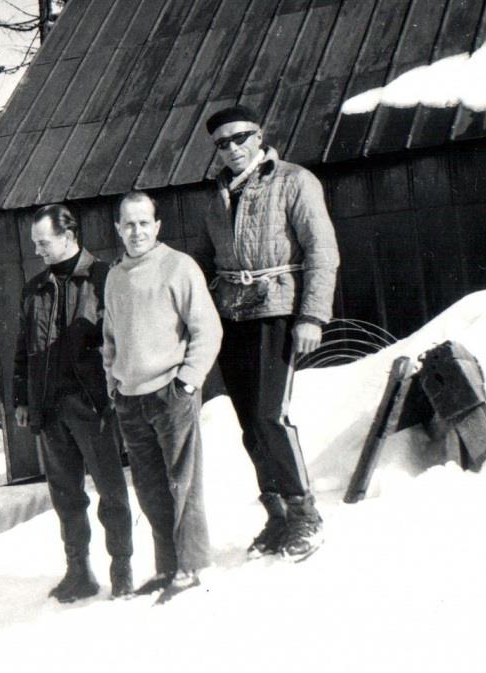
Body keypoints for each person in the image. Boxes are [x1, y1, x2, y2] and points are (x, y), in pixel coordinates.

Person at [200, 105, 340, 562]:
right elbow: (207, 261)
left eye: (240, 137)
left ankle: (305, 515)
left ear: (259, 136)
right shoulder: (217, 196)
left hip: (277, 310)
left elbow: (322, 251)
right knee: (249, 424)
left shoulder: (294, 181)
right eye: (223, 143)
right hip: (232, 317)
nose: (233, 148)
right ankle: (277, 515)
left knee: (269, 416)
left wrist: (311, 316)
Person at [102, 191, 222, 597]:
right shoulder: (115, 277)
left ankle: (191, 566)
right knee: (150, 489)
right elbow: (110, 339)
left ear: (157, 226)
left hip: (171, 394)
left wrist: (187, 381)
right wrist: (114, 385)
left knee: (183, 484)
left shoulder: (178, 266)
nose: (136, 231)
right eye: (128, 224)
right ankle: (167, 566)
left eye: (143, 223)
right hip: (131, 399)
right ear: (118, 229)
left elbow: (207, 329)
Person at [13, 204, 134, 601]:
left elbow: (121, 339)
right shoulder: (35, 289)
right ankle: (79, 571)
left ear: (68, 237)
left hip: (93, 405)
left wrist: (114, 390)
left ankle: (122, 568)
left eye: (43, 242)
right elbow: (22, 350)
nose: (37, 251)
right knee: (66, 496)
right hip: (49, 409)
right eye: (35, 243)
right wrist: (22, 399)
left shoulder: (104, 278)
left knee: (111, 492)